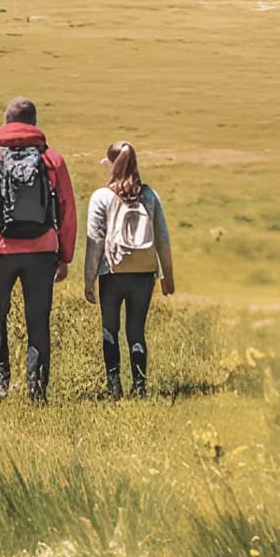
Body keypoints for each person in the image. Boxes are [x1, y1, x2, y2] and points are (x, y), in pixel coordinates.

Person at [0, 97, 77, 400]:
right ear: (34, 122)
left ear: (6, 120)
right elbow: (66, 211)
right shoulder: (52, 159)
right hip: (42, 252)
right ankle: (36, 390)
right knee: (38, 317)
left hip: (1, 250)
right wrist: (64, 257)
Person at [82, 142, 174, 398]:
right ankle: (140, 387)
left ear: (113, 164)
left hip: (111, 272)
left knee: (110, 329)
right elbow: (163, 239)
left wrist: (89, 280)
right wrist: (167, 276)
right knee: (136, 330)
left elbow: (95, 242)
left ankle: (113, 388)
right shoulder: (149, 195)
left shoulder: (101, 197)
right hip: (144, 274)